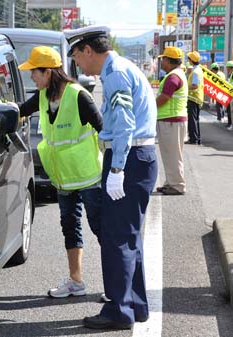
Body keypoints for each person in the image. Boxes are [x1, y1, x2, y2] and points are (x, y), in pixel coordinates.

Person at [0, 46, 104, 298]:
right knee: (70, 228)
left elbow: (104, 129)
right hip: (63, 178)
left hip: (89, 177)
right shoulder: (42, 96)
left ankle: (116, 284)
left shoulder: (78, 96)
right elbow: (18, 110)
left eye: (34, 73)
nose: (32, 78)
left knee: (102, 228)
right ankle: (76, 281)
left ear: (48, 72)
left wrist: (116, 170)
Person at [65, 25, 157, 330]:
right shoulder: (121, 68)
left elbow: (125, 126)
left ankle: (119, 311)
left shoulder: (115, 72)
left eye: (77, 55)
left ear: (88, 50)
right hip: (138, 158)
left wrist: (116, 170)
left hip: (128, 160)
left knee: (117, 238)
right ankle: (135, 305)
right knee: (129, 238)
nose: (77, 62)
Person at [155, 46, 188, 196]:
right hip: (174, 119)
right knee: (171, 154)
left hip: (171, 120)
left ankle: (177, 185)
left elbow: (164, 98)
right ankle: (171, 182)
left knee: (172, 154)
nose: (162, 62)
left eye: (163, 59)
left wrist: (150, 107)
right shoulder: (178, 74)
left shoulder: (173, 77)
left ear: (169, 60)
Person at [185, 51, 204, 145]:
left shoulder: (195, 72)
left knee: (192, 120)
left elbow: (195, 85)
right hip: (197, 97)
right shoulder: (198, 70)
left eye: (189, 59)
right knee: (195, 119)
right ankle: (197, 138)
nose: (188, 60)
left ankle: (193, 139)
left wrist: (185, 87)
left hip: (193, 97)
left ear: (191, 60)